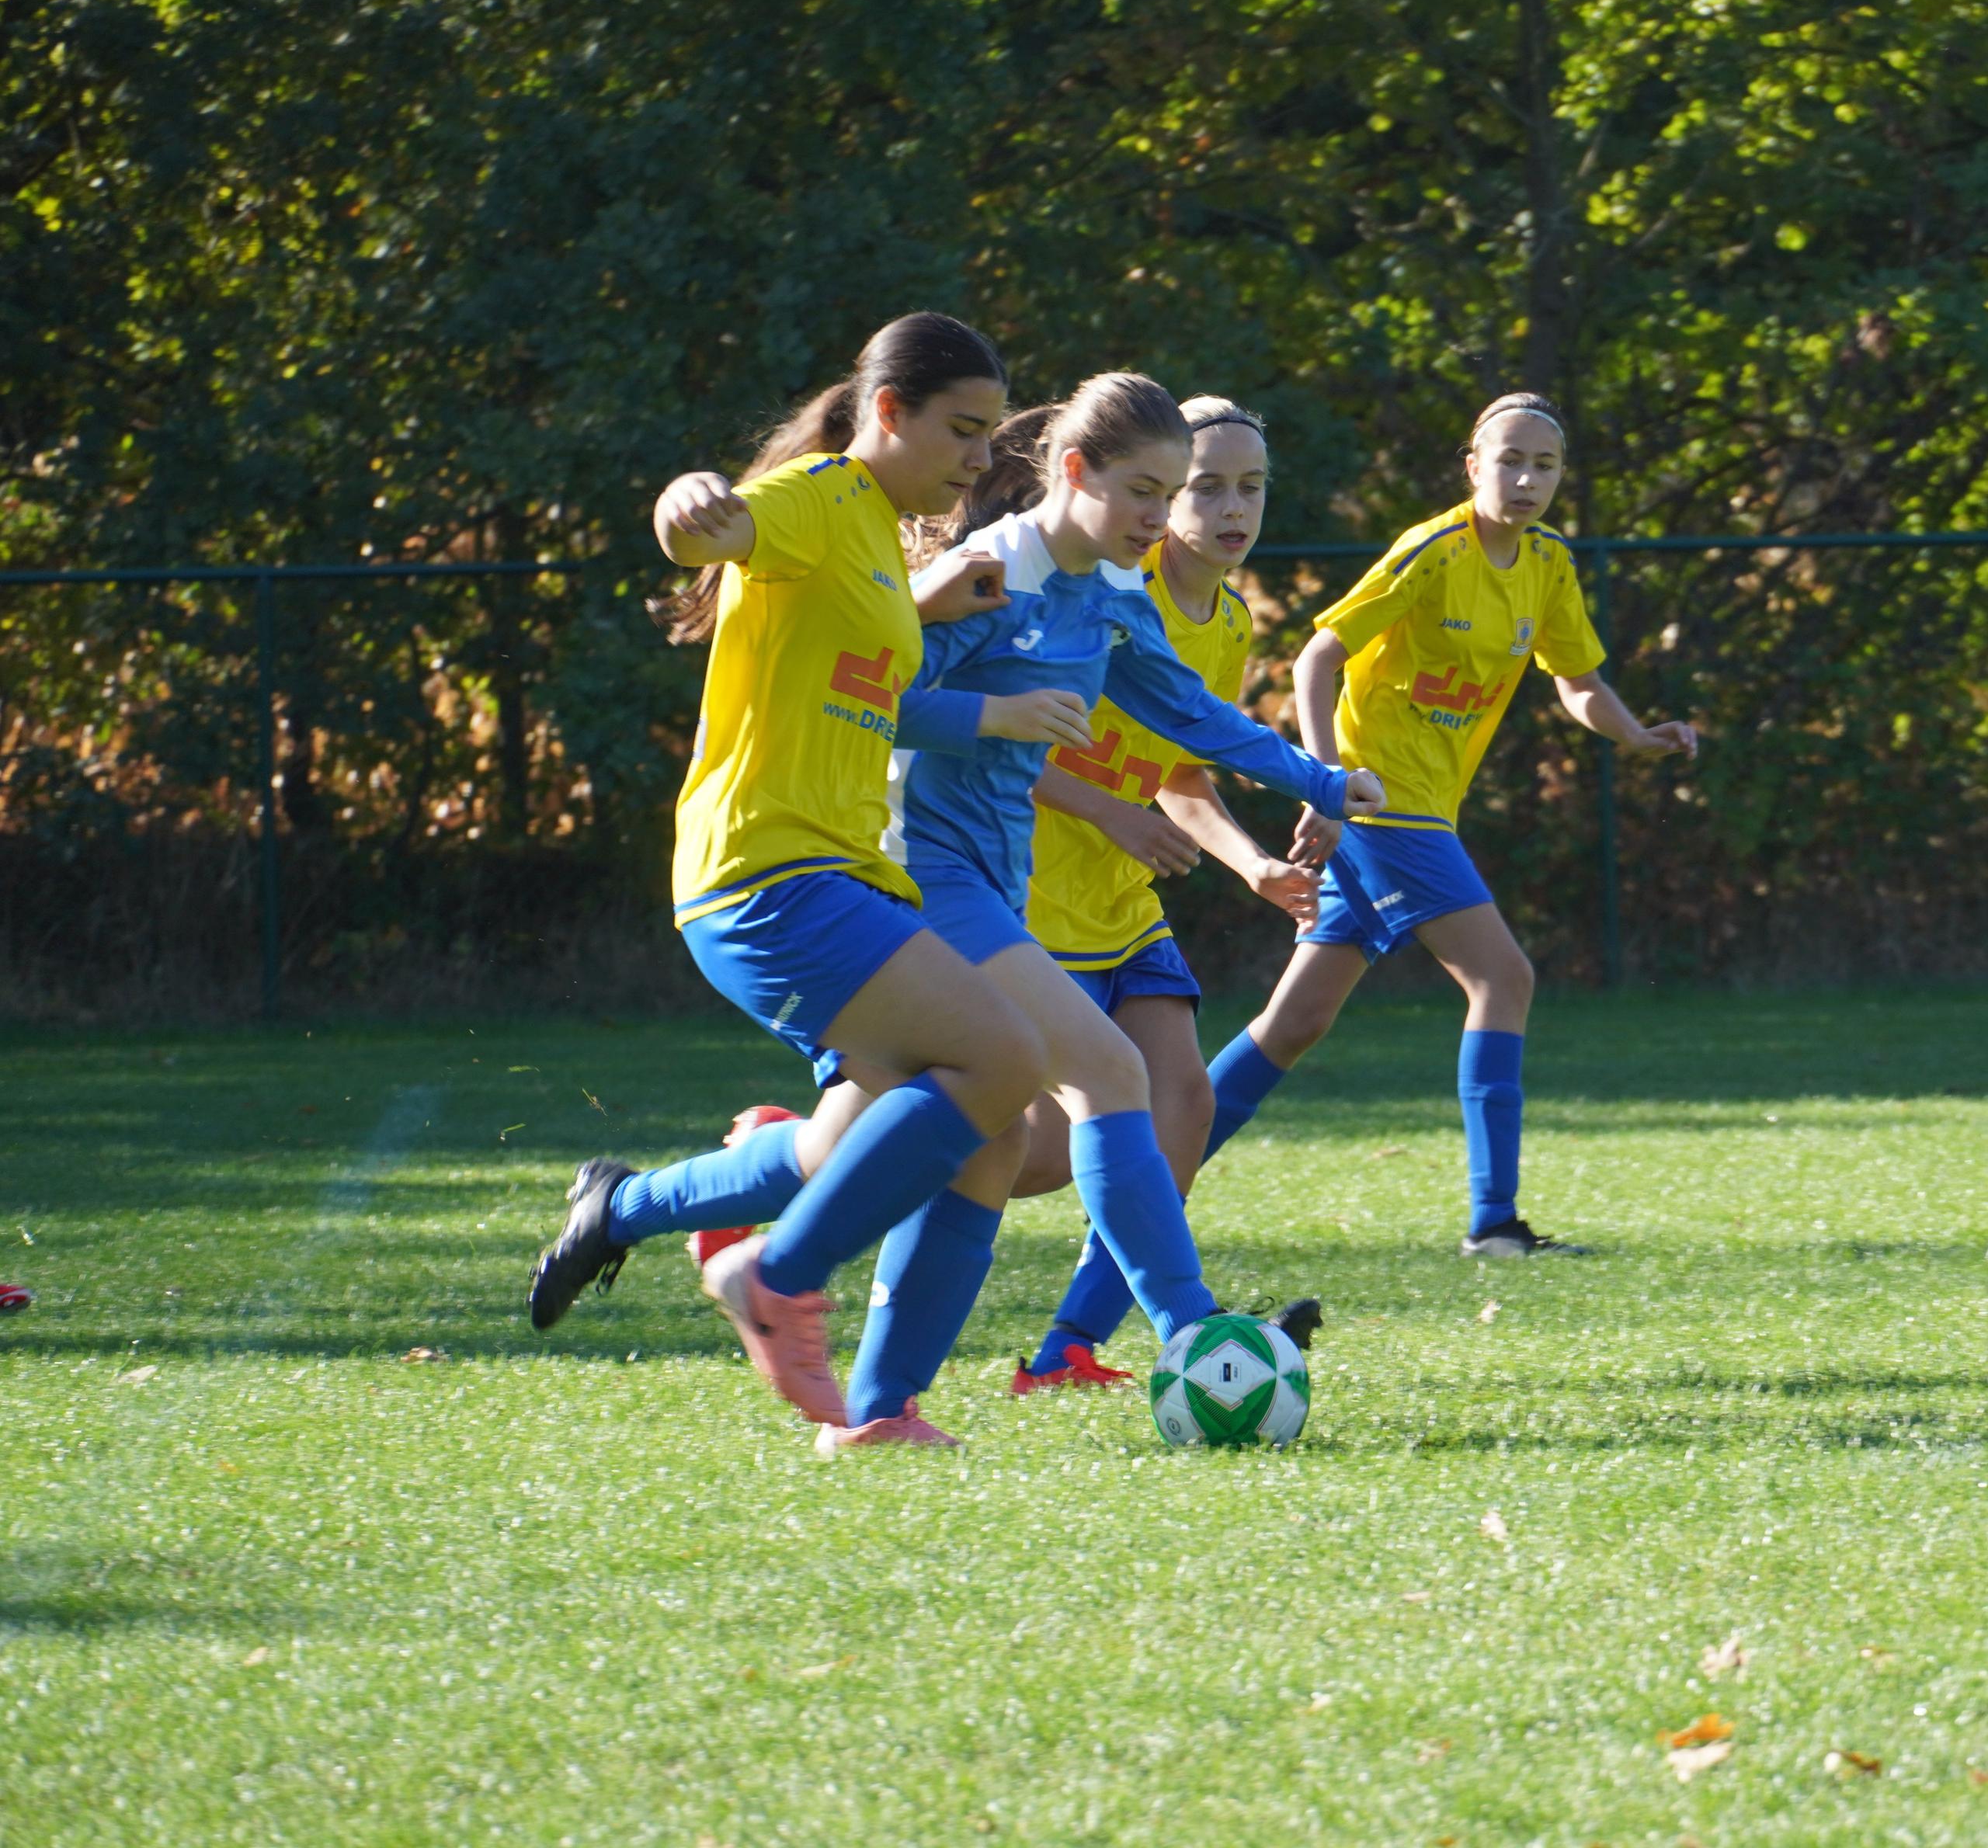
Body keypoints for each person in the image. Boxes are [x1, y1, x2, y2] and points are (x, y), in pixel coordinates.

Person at [535, 373, 1381, 1448]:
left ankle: (849, 1386)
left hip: (987, 885)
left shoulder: (1112, 600)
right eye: (1140, 491)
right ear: (1073, 472)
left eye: (1168, 497)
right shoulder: (989, 575)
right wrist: (993, 718)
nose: (1155, 519)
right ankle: (1186, 1329)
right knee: (1104, 1073)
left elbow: (1191, 715)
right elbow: (876, 702)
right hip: (913, 875)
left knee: (924, 1146)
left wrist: (1317, 781)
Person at [527, 311, 1069, 1436]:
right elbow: (715, 533)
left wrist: (923, 611)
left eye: (990, 436)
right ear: (887, 412)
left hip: (846, 875)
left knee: (984, 1130)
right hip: (766, 870)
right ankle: (777, 1277)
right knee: (1005, 1057)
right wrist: (686, 506)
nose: (981, 459)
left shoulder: (881, 535)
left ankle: (877, 1411)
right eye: (963, 431)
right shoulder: (821, 498)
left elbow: (853, 672)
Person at [1197, 391, 1696, 1256]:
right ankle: (1494, 1223)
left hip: (1414, 812)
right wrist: (1327, 785)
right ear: (1473, 466)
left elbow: (1576, 682)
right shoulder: (1433, 550)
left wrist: (1638, 735)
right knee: (1504, 978)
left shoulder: (1546, 564)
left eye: (1545, 465)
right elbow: (1319, 655)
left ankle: (1146, 1169)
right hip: (1388, 808)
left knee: (1295, 1023)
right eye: (1510, 460)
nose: (1528, 478)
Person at [1004, 396, 1320, 1390]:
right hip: (1026, 891)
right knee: (1036, 1158)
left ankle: (1068, 1348)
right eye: (1207, 487)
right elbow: (997, 738)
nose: (1234, 507)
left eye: (1252, 487)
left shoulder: (1228, 621)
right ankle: (801, 1155)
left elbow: (1180, 775)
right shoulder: (1097, 586)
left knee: (1183, 1103)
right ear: (1160, 495)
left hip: (1124, 900)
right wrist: (1104, 810)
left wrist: (1250, 863)